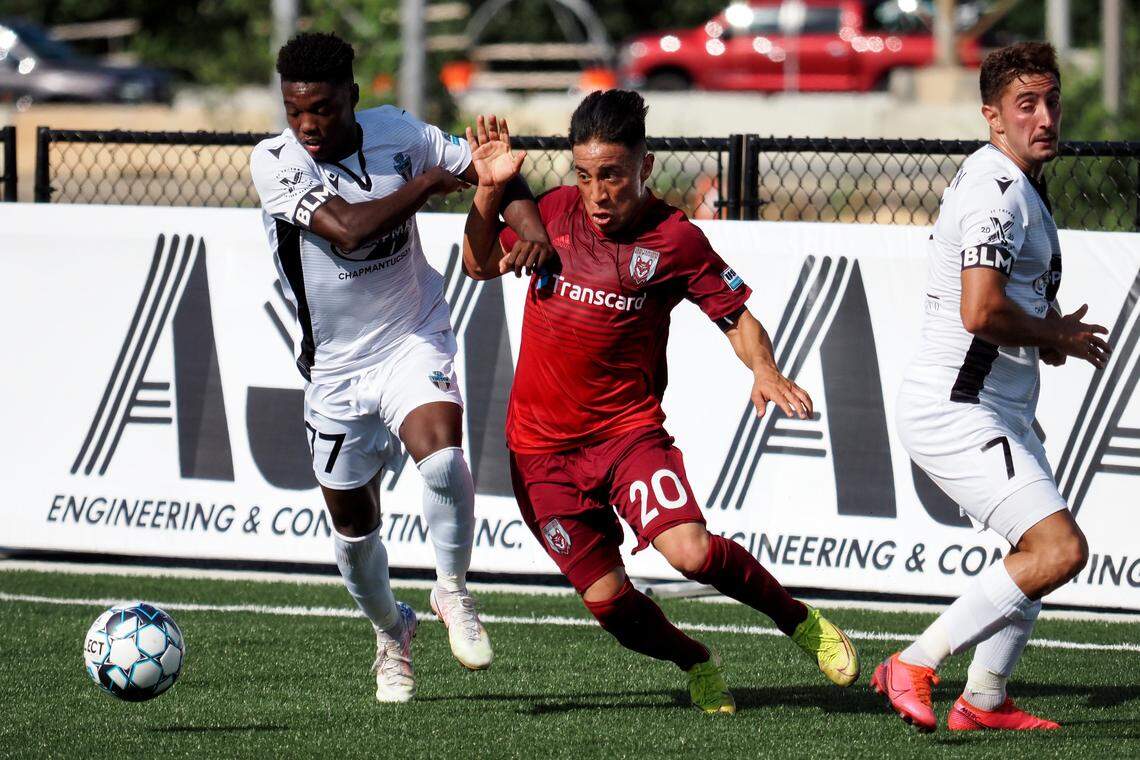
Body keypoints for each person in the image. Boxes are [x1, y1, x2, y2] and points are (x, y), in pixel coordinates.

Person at [460, 91, 860, 714]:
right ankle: (694, 659)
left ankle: (798, 620)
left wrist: (765, 369)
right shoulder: (553, 212)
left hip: (626, 437)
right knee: (610, 606)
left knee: (691, 553)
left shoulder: (676, 239)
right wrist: (488, 190)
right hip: (538, 455)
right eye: (585, 174)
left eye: (612, 175)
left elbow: (735, 315)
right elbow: (479, 264)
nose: (597, 193)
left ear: (644, 167)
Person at [249, 32, 549, 703]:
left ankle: (453, 592)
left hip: (413, 333)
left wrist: (530, 228)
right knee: (355, 538)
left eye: (322, 109)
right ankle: (392, 632)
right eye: (295, 110)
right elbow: (348, 229)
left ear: (352, 97)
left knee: (442, 461)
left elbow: (497, 170)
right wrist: (428, 185)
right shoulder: (275, 162)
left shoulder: (399, 132)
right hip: (335, 371)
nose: (308, 125)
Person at [878, 42, 1111, 732]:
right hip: (957, 408)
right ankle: (913, 662)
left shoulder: (1016, 178)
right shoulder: (996, 190)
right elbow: (978, 311)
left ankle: (984, 700)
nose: (1045, 118)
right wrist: (1055, 336)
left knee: (1038, 555)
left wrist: (1046, 336)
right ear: (992, 116)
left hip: (997, 404)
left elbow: (1004, 307)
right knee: (1059, 549)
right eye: (1025, 105)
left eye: (1051, 101)